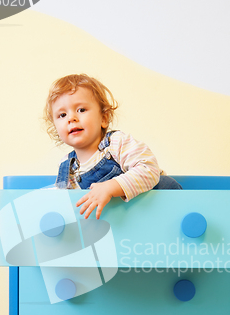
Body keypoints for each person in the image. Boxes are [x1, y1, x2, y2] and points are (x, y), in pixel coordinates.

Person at [43, 73, 182, 219]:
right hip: (120, 229)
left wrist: (111, 187)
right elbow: (65, 202)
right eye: (62, 115)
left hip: (159, 211)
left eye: (81, 110)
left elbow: (149, 169)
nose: (71, 118)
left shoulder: (116, 143)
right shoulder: (67, 167)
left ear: (104, 118)